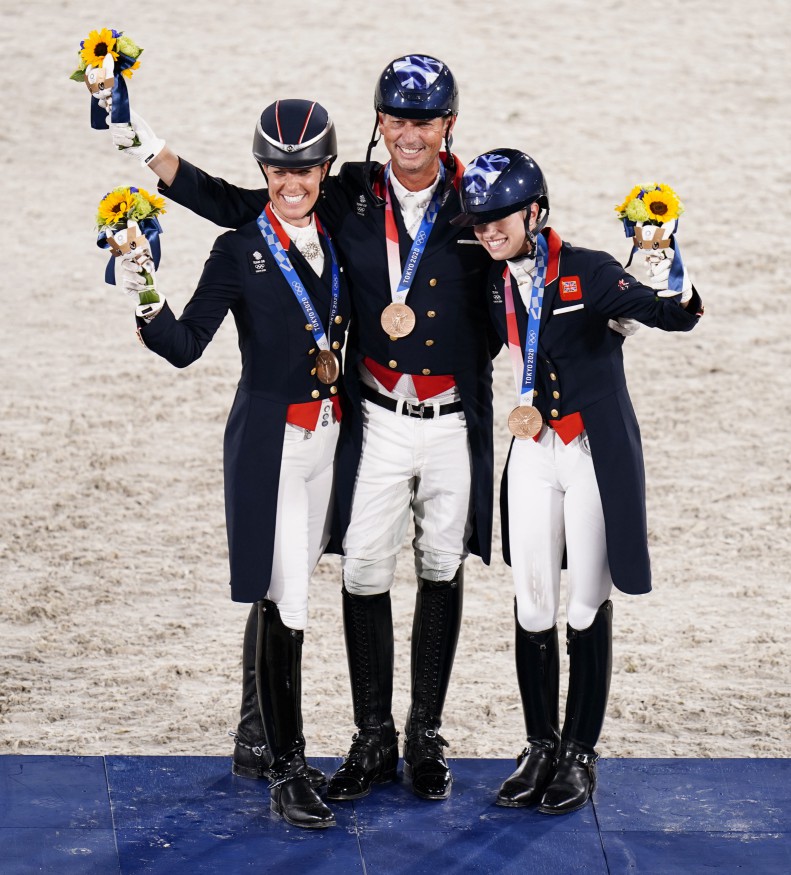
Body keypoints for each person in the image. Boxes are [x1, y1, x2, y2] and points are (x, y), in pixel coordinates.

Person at [107, 54, 497, 801]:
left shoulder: (454, 199)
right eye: (395, 118)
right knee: (317, 578)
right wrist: (146, 152)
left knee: (394, 570)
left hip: (400, 424)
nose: (408, 133)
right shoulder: (347, 192)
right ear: (376, 123)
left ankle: (398, 738)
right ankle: (312, 746)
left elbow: (521, 256)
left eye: (423, 119)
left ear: (449, 123)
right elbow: (240, 208)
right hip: (336, 423)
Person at [112, 100, 350, 829]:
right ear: (264, 171)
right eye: (278, 169)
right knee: (289, 602)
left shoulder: (343, 227)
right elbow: (185, 345)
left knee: (287, 586)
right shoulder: (238, 249)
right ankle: (287, 766)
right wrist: (144, 292)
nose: (291, 182)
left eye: (304, 168)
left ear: (325, 170)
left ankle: (255, 735)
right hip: (271, 444)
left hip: (331, 441)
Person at [452, 149, 703, 814]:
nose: (485, 231)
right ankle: (539, 744)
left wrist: (663, 255)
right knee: (532, 602)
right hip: (532, 450)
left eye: (496, 218)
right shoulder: (491, 278)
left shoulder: (589, 271)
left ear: (533, 211)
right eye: (477, 222)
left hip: (591, 452)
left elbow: (675, 315)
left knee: (583, 605)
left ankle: (578, 753)